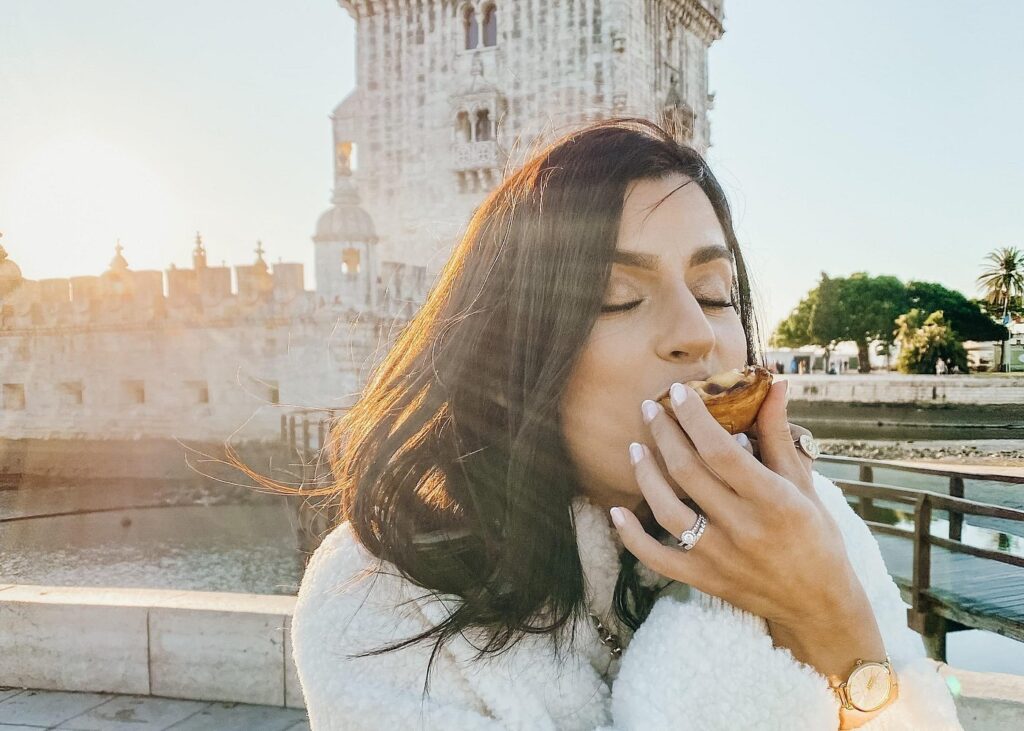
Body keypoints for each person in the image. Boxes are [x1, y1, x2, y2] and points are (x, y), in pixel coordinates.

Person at [290, 119, 962, 730]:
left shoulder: (811, 524)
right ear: (511, 347)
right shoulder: (378, 602)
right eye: (619, 299)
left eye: (715, 293)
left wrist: (829, 616)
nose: (696, 334)